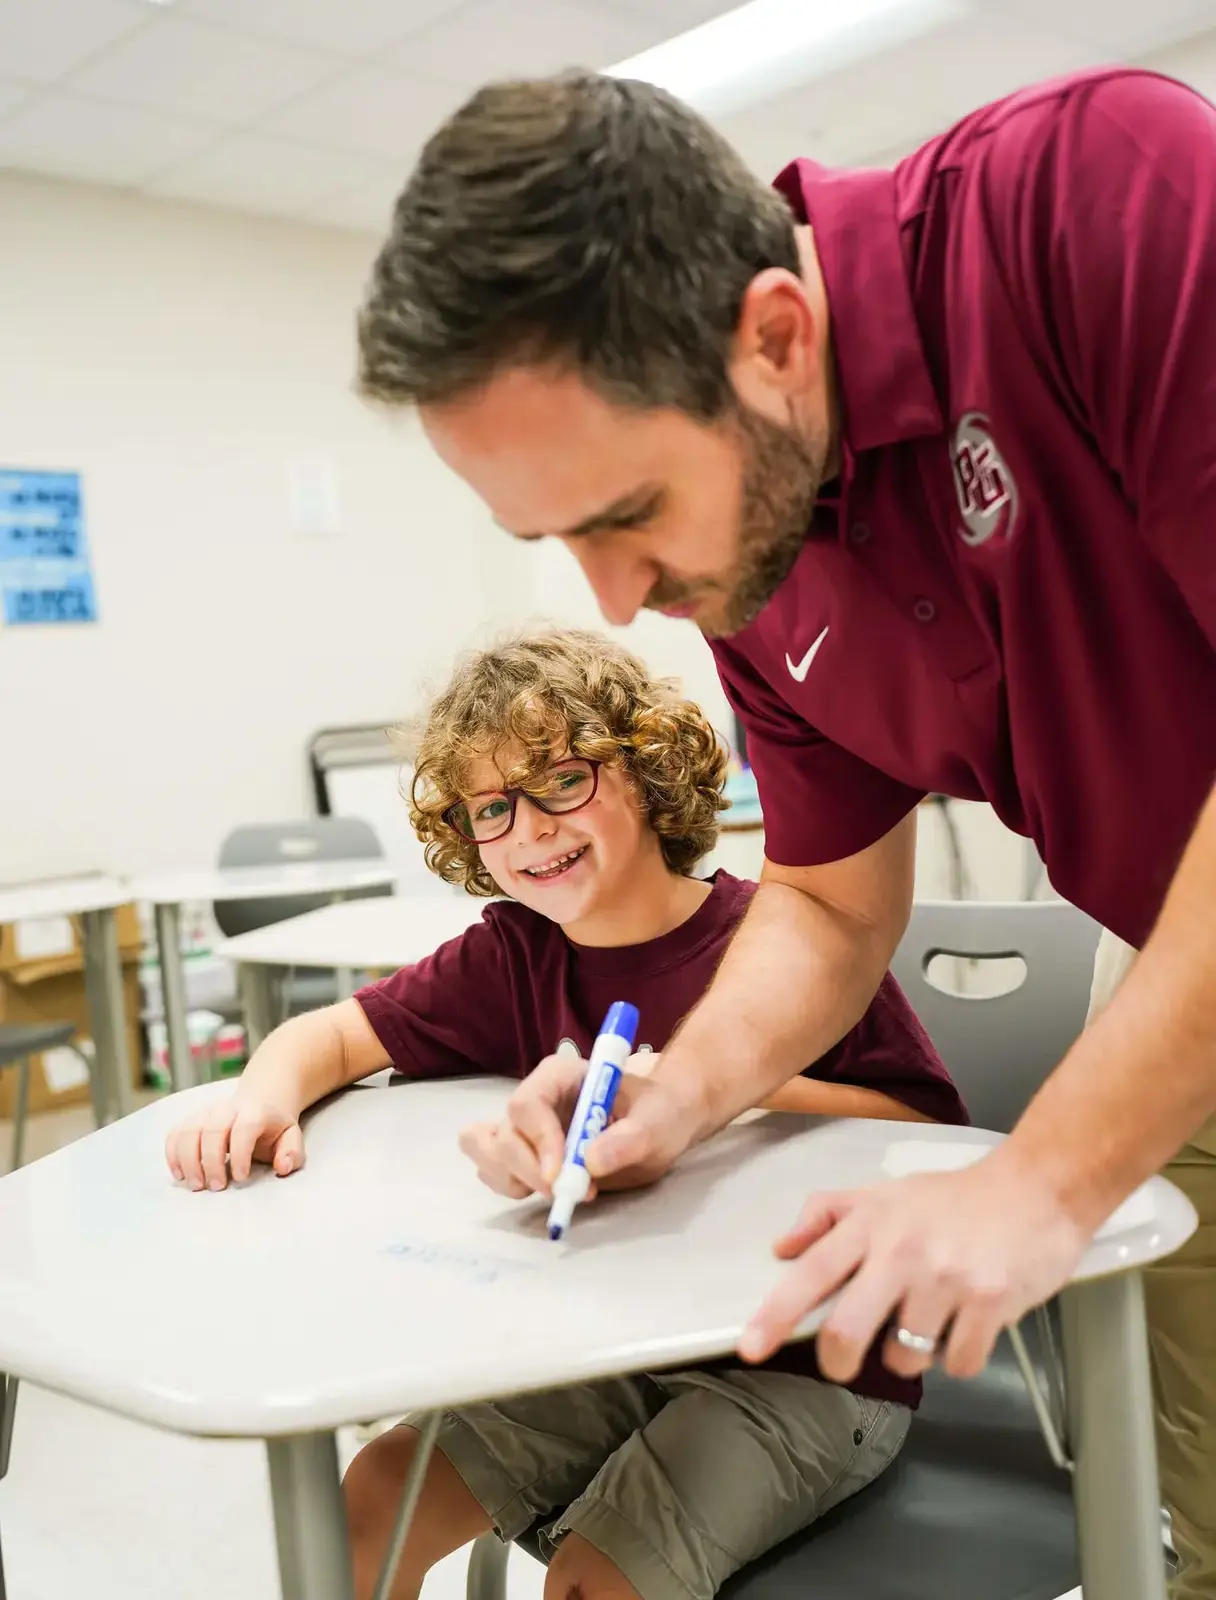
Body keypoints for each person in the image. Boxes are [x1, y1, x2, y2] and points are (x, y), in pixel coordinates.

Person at [355, 66, 1216, 1595]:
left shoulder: (1093, 201)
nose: (614, 599)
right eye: (556, 544)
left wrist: (1036, 1178)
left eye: (625, 513)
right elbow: (824, 904)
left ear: (774, 337)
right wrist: (674, 1102)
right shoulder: (753, 550)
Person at [165, 628, 967, 1600]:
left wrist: (693, 1091)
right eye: (492, 808)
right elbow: (329, 1038)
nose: (531, 829)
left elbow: (928, 1139)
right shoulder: (512, 954)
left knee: (593, 1582)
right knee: (366, 1500)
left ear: (646, 767)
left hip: (806, 1362)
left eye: (560, 781)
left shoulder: (782, 947)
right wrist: (260, 1097)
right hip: (606, 1344)